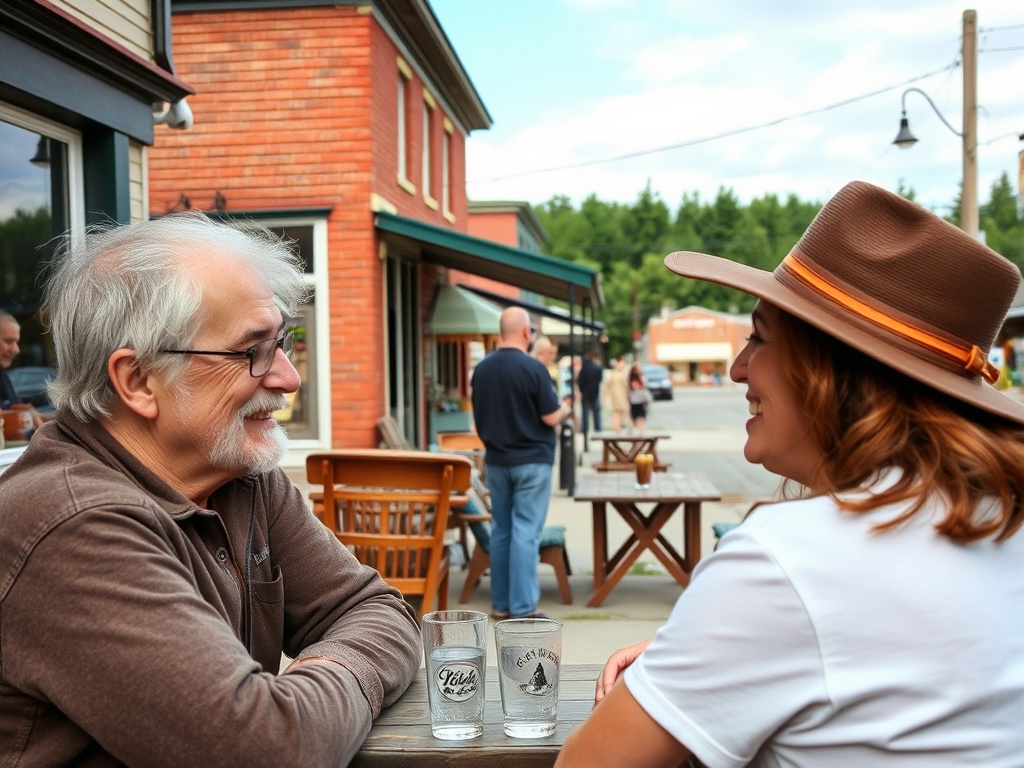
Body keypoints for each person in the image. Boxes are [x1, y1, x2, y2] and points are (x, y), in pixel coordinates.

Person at [556, 181, 1024, 767]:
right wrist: (714, 652)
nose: (736, 367)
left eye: (759, 336)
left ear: (825, 369)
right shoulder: (1004, 523)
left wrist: (723, 640)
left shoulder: (787, 561)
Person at [0, 212, 422, 766]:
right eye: (253, 351)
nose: (289, 378)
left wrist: (322, 675)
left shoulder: (240, 477)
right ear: (138, 381)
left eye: (283, 341)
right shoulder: (73, 525)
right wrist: (317, 694)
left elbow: (378, 610)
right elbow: (269, 749)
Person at [471, 306, 569, 619]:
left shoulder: (481, 370)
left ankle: (500, 604)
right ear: (527, 332)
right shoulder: (534, 369)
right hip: (532, 462)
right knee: (526, 531)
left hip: (497, 461)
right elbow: (550, 416)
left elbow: (477, 422)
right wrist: (565, 408)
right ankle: (524, 606)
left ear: (502, 331)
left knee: (501, 530)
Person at [0, 310, 45, 428]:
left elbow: (16, 413)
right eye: (9, 341)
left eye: (16, 342)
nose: (16, 350)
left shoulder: (4, 379)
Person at [577, 347, 604, 437]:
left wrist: (581, 389)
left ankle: (585, 428)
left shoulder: (584, 368)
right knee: (596, 412)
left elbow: (580, 380)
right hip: (594, 392)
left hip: (586, 392)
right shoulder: (597, 367)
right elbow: (600, 378)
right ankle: (598, 428)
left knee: (585, 413)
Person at [602, 356, 630, 433]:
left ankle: (619, 430)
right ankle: (618, 430)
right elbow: (606, 387)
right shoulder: (615, 374)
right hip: (617, 398)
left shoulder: (614, 374)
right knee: (617, 415)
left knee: (618, 415)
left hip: (619, 397)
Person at [627, 361, 649, 432]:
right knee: (638, 419)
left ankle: (639, 432)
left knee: (637, 419)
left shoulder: (632, 380)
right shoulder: (639, 380)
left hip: (636, 402)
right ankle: (640, 433)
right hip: (637, 402)